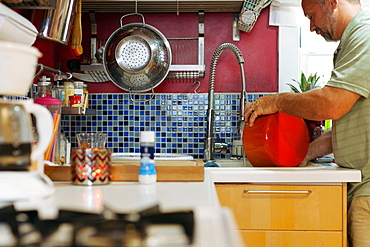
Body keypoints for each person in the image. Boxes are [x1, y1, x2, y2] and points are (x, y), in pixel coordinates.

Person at [244, 0, 370, 246]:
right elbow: (350, 126)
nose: (311, 27)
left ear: (331, 3)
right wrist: (307, 152)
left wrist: (277, 102)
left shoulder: (364, 36)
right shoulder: (352, 42)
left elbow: (331, 104)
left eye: (312, 16)